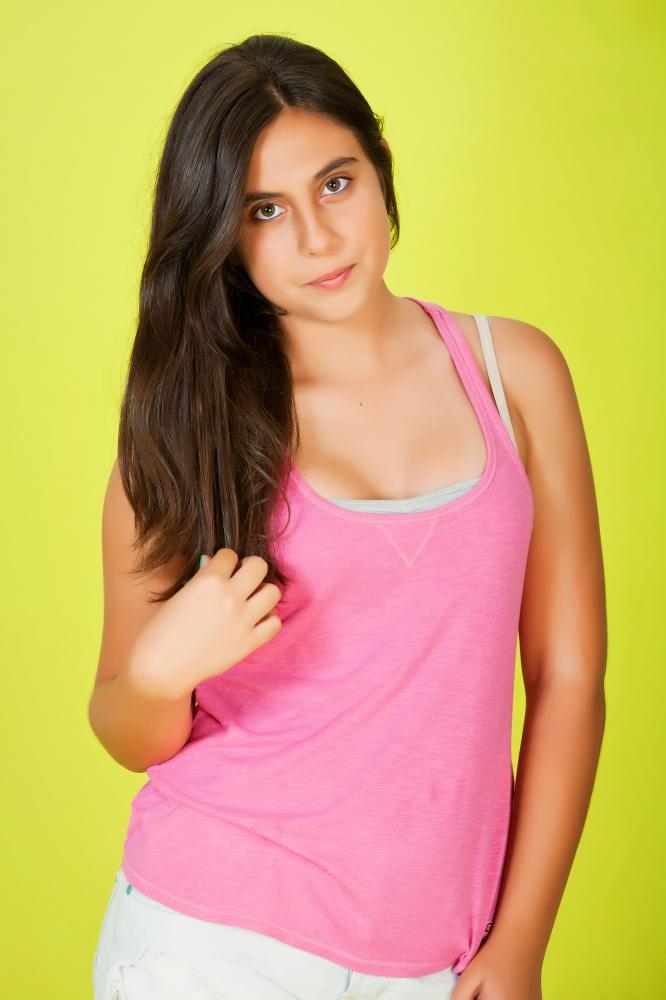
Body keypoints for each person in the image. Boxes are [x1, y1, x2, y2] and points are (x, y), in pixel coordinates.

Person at [88, 32, 607, 1000]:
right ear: (221, 234)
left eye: (336, 184)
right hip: (211, 945)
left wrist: (523, 940)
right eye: (265, 210)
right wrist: (160, 671)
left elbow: (569, 675)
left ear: (381, 169)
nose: (318, 239)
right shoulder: (188, 428)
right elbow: (125, 727)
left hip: (439, 958)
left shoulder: (516, 374)